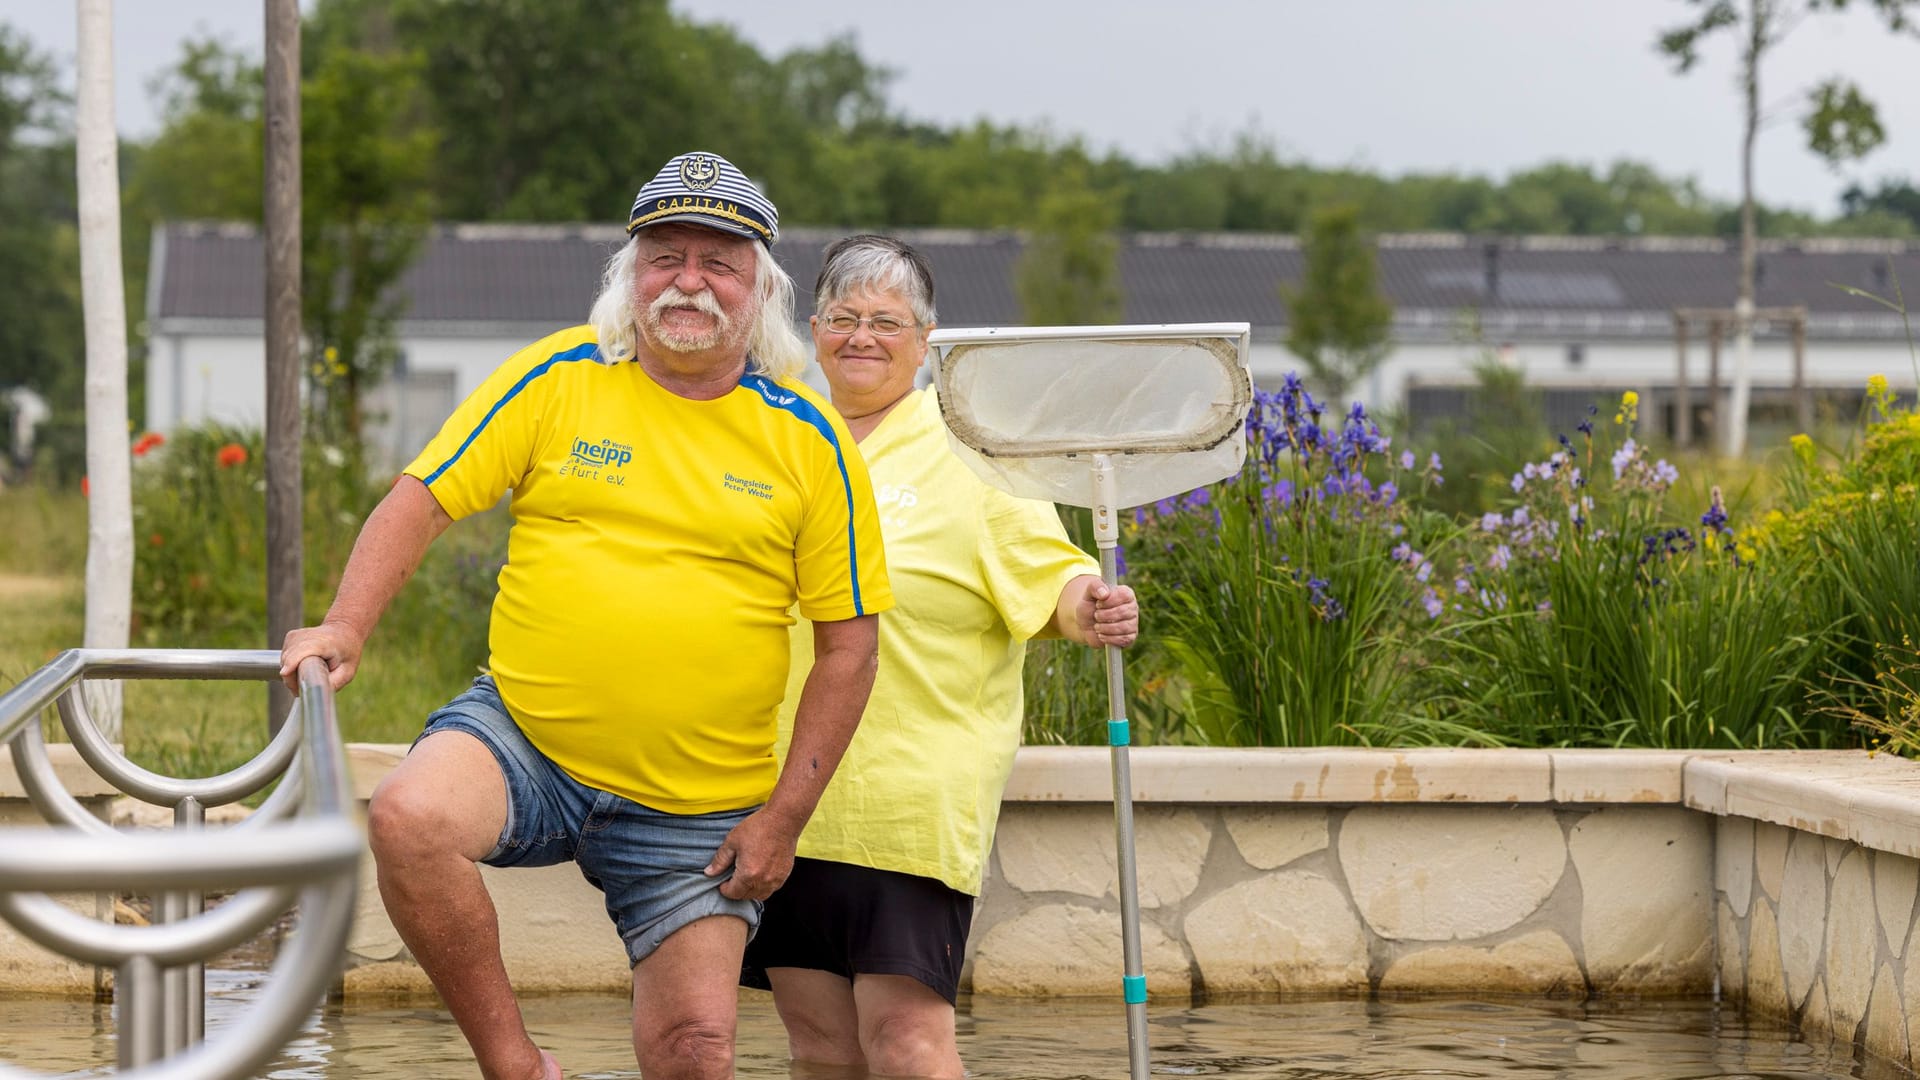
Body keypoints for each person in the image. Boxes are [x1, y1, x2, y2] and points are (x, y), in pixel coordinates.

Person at [279, 152, 893, 1080]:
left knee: (695, 1051)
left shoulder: (810, 439)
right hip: (526, 736)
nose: (689, 281)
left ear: (761, 289)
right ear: (630, 272)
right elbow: (422, 498)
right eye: (665, 256)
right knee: (409, 817)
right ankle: (514, 1065)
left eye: (718, 262)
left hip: (698, 799)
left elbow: (850, 649)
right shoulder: (557, 376)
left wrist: (783, 821)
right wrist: (344, 626)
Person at [741, 235, 1140, 1078]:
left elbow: (1051, 574)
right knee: (817, 1044)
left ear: (927, 341)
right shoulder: (777, 439)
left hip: (909, 801)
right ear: (814, 329)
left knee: (907, 1041)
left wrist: (1089, 605)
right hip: (784, 796)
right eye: (844, 318)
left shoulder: (971, 453)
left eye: (887, 322)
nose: (862, 337)